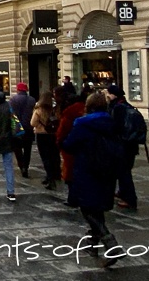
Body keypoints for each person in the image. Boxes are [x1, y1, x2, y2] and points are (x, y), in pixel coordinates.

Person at [61, 91, 123, 267]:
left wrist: (63, 142)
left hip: (88, 170)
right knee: (97, 208)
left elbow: (69, 145)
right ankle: (92, 244)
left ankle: (110, 243)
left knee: (87, 208)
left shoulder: (82, 124)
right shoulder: (111, 123)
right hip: (107, 171)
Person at [105, 85, 139, 211]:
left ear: (113, 95)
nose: (107, 95)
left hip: (122, 145)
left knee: (124, 173)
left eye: (108, 93)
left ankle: (130, 199)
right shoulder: (126, 104)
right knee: (124, 171)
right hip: (130, 144)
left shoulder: (117, 107)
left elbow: (115, 127)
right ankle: (123, 192)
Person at [30, 90, 61, 190]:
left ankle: (50, 177)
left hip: (42, 134)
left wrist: (40, 125)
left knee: (45, 157)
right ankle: (52, 176)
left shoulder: (39, 109)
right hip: (52, 134)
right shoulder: (55, 109)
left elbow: (33, 123)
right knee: (53, 155)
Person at [9, 82, 35, 179]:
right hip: (28, 127)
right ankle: (26, 166)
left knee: (17, 147)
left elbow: (10, 112)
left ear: (18, 90)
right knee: (28, 149)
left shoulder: (13, 99)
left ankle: (21, 165)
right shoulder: (32, 100)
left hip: (17, 127)